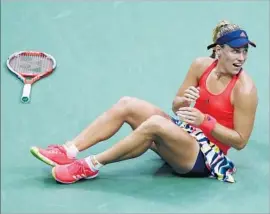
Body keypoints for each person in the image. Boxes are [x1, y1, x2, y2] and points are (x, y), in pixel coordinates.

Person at [30, 20, 258, 184]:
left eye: (244, 52)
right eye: (235, 51)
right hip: (184, 134)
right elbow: (177, 107)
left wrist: (205, 121)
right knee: (128, 103)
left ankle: (88, 166)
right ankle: (69, 150)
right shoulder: (200, 66)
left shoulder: (245, 89)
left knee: (155, 124)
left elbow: (240, 141)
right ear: (218, 51)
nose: (241, 58)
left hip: (205, 157)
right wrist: (184, 101)